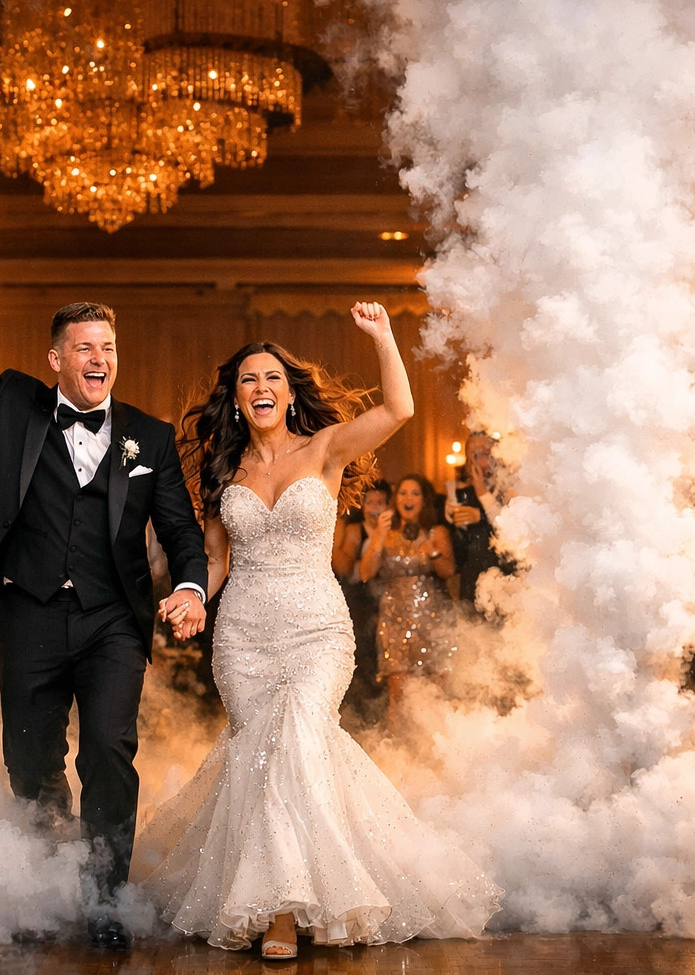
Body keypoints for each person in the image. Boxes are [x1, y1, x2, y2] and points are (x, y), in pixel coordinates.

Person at [137, 306, 501, 958]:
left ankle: (283, 912)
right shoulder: (225, 469)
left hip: (316, 633)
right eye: (247, 379)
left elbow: (398, 411)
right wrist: (192, 597)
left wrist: (385, 337)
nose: (259, 387)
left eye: (270, 376)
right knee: (266, 759)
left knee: (300, 740)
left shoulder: (326, 447)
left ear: (287, 388)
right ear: (237, 395)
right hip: (243, 638)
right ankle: (288, 892)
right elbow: (217, 559)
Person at [0, 264, 208, 952]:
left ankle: (105, 898)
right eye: (84, 347)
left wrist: (191, 585)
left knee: (108, 750)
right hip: (28, 612)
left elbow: (180, 530)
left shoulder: (150, 437)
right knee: (32, 760)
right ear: (56, 359)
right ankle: (50, 887)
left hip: (113, 620)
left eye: (106, 347)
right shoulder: (16, 405)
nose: (98, 358)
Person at [361, 473, 457, 717]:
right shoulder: (386, 534)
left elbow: (448, 571)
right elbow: (365, 573)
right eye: (403, 492)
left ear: (423, 500)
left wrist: (432, 550)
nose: (408, 498)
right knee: (398, 695)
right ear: (396, 500)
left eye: (415, 493)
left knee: (436, 692)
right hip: (395, 620)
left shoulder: (436, 532)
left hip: (432, 618)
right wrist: (379, 537)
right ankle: (398, 752)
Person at [331, 479, 391, 717]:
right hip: (361, 601)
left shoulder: (395, 529)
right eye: (370, 502)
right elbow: (343, 567)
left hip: (388, 600)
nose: (375, 507)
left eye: (380, 502)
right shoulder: (354, 530)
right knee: (363, 657)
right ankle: (361, 712)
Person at [446, 431, 509, 611]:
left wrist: (480, 514)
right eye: (472, 452)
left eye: (483, 452)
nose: (477, 457)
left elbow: (509, 527)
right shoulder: (458, 490)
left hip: (503, 579)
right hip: (472, 581)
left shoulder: (508, 486)